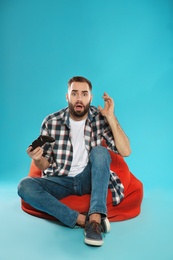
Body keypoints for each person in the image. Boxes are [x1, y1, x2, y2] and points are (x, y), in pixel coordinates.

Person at [18, 76, 131, 246]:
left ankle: (95, 218)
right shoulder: (51, 122)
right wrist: (38, 158)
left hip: (88, 178)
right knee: (24, 186)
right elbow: (44, 165)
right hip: (60, 180)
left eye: (84, 94)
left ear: (90, 98)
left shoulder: (99, 118)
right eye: (75, 93)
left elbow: (126, 151)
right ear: (67, 96)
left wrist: (111, 117)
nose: (79, 98)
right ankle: (81, 220)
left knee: (100, 151)